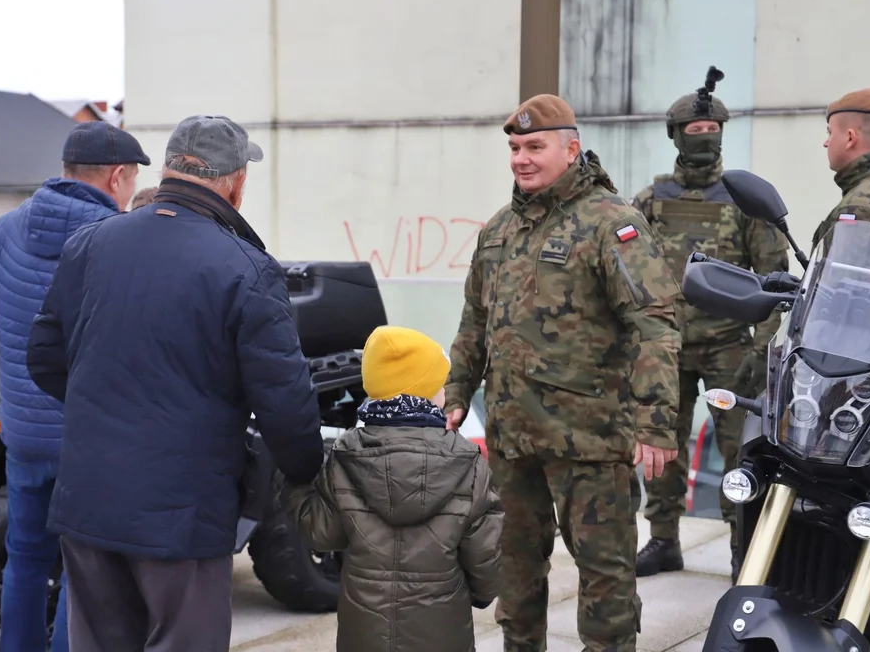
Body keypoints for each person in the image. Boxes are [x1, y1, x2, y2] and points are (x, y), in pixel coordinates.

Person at [25, 114, 325, 652]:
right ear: (236, 181)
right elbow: (285, 402)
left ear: (166, 170)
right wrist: (308, 472)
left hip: (90, 497)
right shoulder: (247, 270)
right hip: (182, 514)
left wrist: (109, 407)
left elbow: (44, 357)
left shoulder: (90, 245)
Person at [443, 94, 682, 652]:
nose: (521, 158)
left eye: (535, 146)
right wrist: (457, 388)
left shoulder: (612, 223)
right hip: (513, 438)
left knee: (605, 579)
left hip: (590, 442)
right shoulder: (500, 230)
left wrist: (655, 421)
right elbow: (475, 320)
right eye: (515, 147)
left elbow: (656, 324)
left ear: (571, 149)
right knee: (516, 574)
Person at [0, 120, 148, 652]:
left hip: (25, 431)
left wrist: (8, 341)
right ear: (117, 176)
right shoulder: (118, 239)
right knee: (84, 566)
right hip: (89, 433)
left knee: (25, 553)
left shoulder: (5, 228)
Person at [630, 70, 789, 584]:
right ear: (675, 136)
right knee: (661, 446)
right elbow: (627, 271)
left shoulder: (746, 198)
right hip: (666, 347)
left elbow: (774, 283)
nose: (704, 140)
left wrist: (759, 353)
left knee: (740, 453)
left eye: (712, 131)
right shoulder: (651, 200)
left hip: (729, 350)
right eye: (693, 132)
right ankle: (663, 539)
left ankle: (744, 548)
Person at [283, 324, 504, 652]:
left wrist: (294, 485)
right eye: (440, 382)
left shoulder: (345, 457)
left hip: (365, 638)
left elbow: (322, 532)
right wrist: (479, 596)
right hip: (443, 637)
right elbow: (487, 563)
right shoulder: (466, 464)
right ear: (426, 390)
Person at [812, 88, 870, 251]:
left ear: (850, 138)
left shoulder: (860, 206)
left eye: (830, 133)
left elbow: (845, 276)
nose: (826, 143)